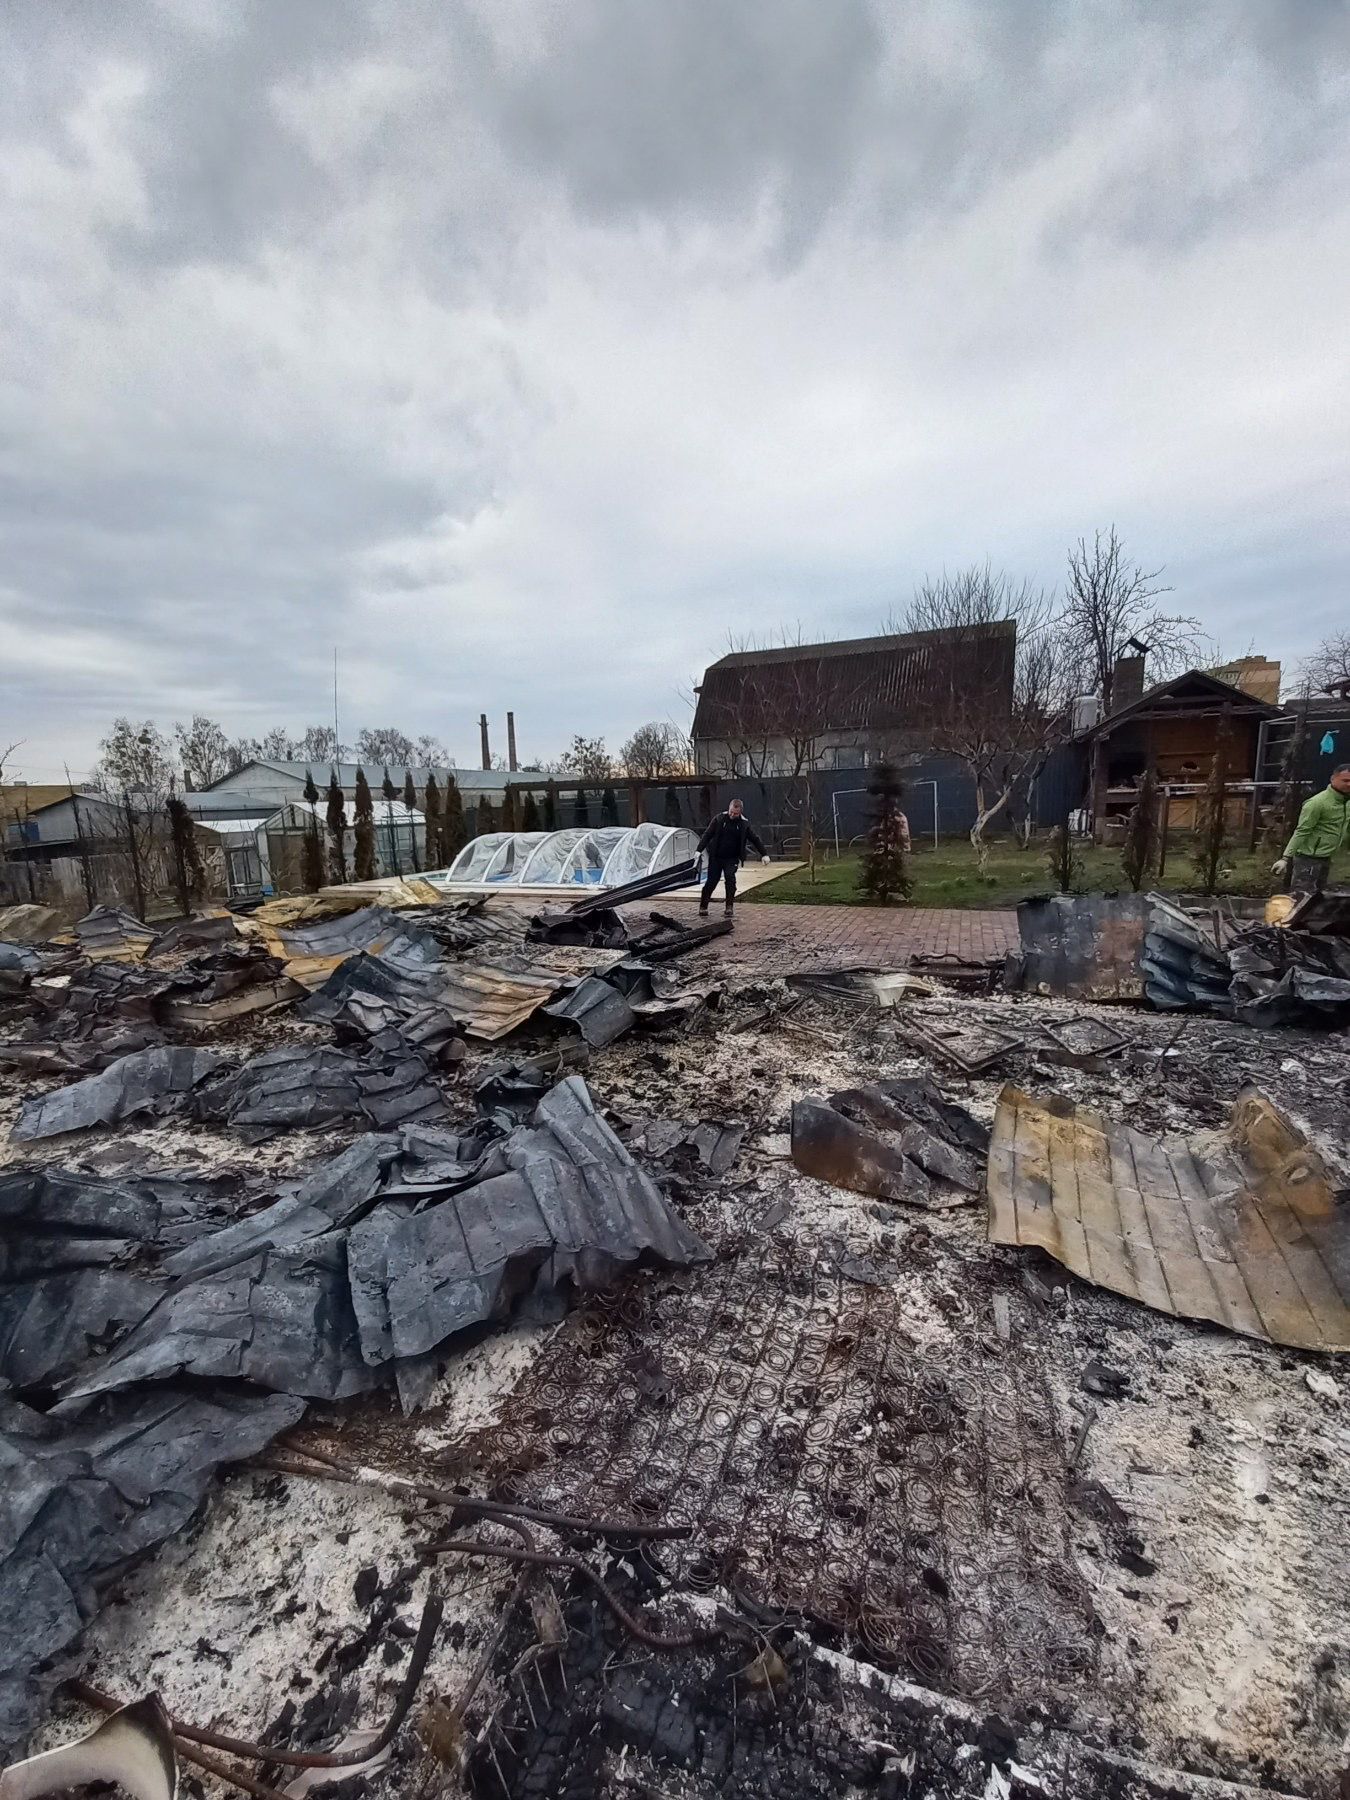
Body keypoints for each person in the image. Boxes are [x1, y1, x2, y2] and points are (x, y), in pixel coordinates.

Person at [1272, 763, 1350, 893]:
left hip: (1328, 857)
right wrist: (1285, 858)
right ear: (1333, 779)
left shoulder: (1346, 803)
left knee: (1320, 900)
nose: (1348, 784)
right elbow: (1302, 831)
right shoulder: (1317, 803)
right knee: (1301, 898)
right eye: (1345, 780)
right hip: (1307, 858)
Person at [697, 797, 768, 918]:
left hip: (732, 858)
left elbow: (755, 839)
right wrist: (699, 850)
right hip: (716, 857)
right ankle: (703, 905)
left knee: (730, 879)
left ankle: (729, 907)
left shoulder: (744, 824)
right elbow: (708, 834)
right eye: (731, 812)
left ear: (740, 812)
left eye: (735, 813)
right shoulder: (719, 819)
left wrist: (764, 854)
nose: (732, 815)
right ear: (729, 808)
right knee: (711, 881)